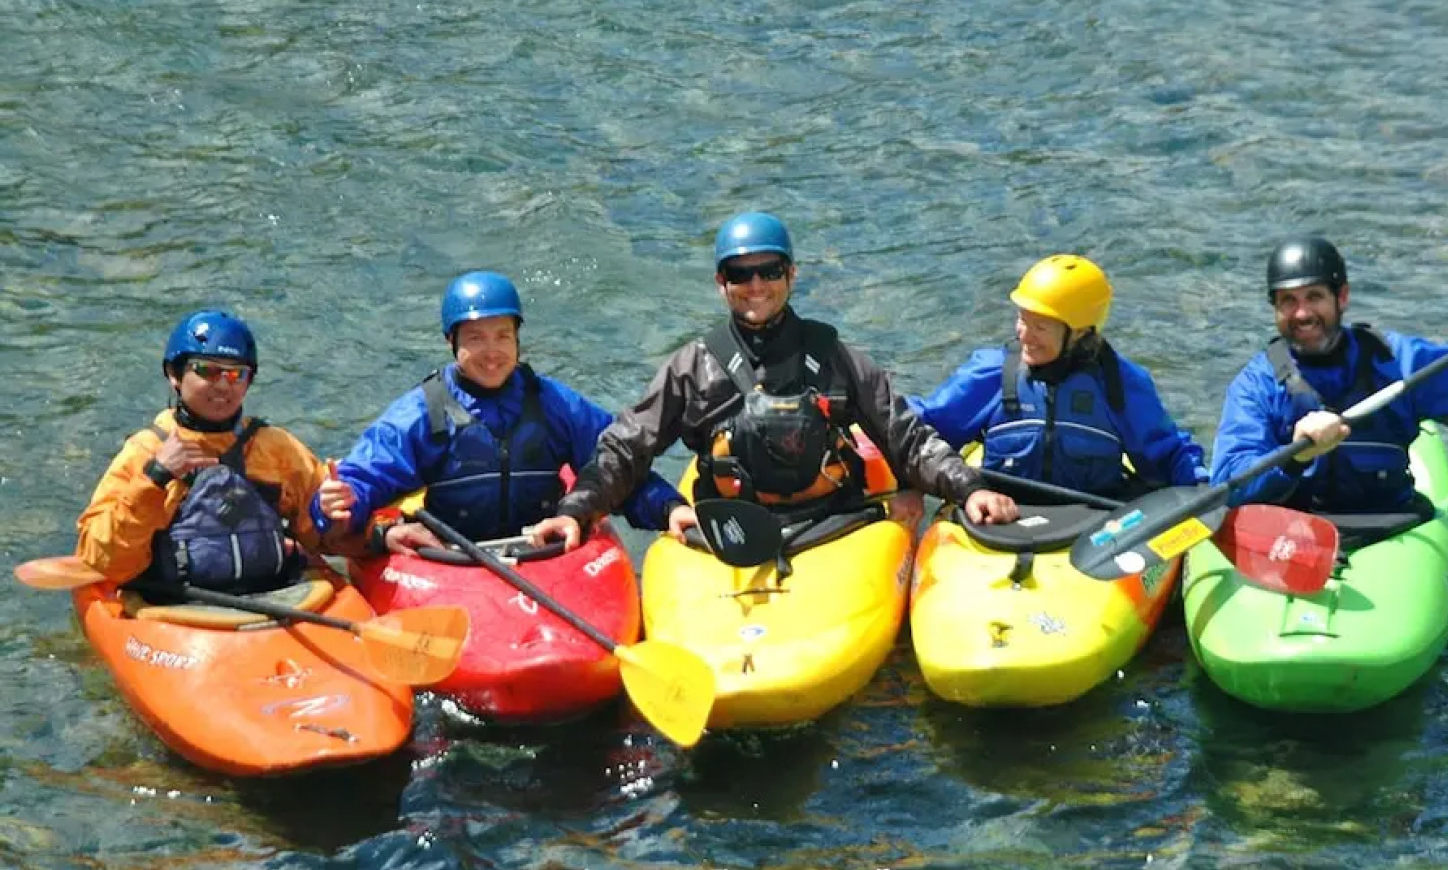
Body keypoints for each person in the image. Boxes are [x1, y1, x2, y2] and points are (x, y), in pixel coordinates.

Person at [530, 212, 1019, 551]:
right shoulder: (691, 367)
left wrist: (968, 487)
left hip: (835, 524)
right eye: (740, 274)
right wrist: (576, 511)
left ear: (792, 274)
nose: (756, 285)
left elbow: (904, 437)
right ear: (720, 282)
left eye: (769, 270)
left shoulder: (834, 355)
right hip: (729, 530)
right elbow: (625, 448)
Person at [315, 270, 683, 554]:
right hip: (451, 556)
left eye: (502, 336)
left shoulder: (551, 402)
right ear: (451, 341)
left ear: (517, 339)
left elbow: (616, 464)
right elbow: (362, 478)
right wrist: (343, 502)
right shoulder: (421, 412)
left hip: (548, 548)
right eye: (476, 338)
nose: (492, 352)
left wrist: (668, 508)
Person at [1210, 235, 1448, 514]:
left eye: (1315, 297)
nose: (1302, 313)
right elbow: (1229, 483)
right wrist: (1296, 456)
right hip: (1296, 537)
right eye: (1288, 301)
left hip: (1387, 526)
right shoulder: (1257, 384)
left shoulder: (1397, 360)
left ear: (1342, 297)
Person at [75, 310, 350, 594]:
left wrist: (331, 516)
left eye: (236, 374)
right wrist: (155, 478)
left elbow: (328, 541)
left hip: (271, 597)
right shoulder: (146, 450)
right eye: (206, 370)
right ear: (174, 375)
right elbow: (103, 559)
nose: (222, 385)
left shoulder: (275, 448)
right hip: (175, 606)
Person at [907, 255, 1208, 500]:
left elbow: (1168, 455)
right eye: (1022, 320)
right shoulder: (992, 372)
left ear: (1078, 332)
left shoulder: (1121, 384)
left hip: (1093, 529)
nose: (1024, 335)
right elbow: (925, 424)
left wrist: (1202, 491)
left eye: (1040, 327)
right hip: (997, 517)